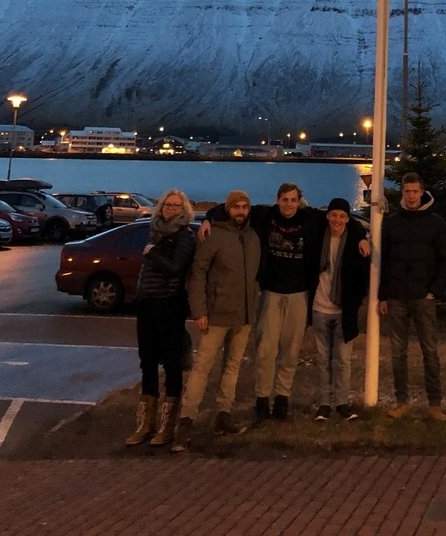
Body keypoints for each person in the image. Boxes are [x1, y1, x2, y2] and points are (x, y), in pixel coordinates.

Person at [199, 182, 368, 423]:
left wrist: (361, 237)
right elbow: (232, 208)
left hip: (299, 294)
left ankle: (282, 398)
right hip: (271, 293)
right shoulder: (264, 215)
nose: (289, 204)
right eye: (285, 199)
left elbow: (343, 219)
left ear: (299, 201)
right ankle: (262, 399)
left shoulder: (310, 218)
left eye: (293, 200)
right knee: (265, 350)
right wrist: (208, 218)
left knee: (290, 352)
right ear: (277, 200)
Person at [171, 189, 260, 452]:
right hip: (216, 315)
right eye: (236, 207)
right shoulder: (213, 236)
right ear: (228, 209)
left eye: (244, 207)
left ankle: (224, 414)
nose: (241, 211)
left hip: (243, 315)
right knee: (202, 368)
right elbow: (198, 274)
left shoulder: (253, 237)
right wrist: (199, 311)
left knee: (232, 367)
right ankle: (186, 421)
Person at [125, 188, 196, 448]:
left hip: (169, 304)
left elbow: (177, 268)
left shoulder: (184, 236)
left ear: (184, 209)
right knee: (147, 362)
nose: (171, 209)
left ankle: (167, 426)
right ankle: (145, 424)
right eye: (167, 205)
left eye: (176, 205)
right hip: (147, 303)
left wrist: (152, 253)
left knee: (172, 365)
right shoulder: (155, 230)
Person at [378, 172, 446, 421]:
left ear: (422, 192)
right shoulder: (392, 222)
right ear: (403, 192)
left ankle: (435, 404)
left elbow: (445, 259)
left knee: (429, 351)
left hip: (423, 297)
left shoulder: (435, 223)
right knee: (398, 353)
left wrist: (435, 290)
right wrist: (383, 295)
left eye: (415, 191)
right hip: (397, 296)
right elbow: (385, 261)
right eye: (407, 191)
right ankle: (402, 401)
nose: (411, 196)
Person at [310, 196, 370, 421]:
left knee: (343, 360)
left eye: (342, 216)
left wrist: (362, 236)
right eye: (333, 215)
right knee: (322, 359)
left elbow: (362, 277)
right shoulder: (318, 234)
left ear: (347, 218)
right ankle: (324, 404)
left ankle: (342, 403)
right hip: (319, 308)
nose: (337, 220)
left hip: (344, 311)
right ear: (327, 215)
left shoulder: (354, 241)